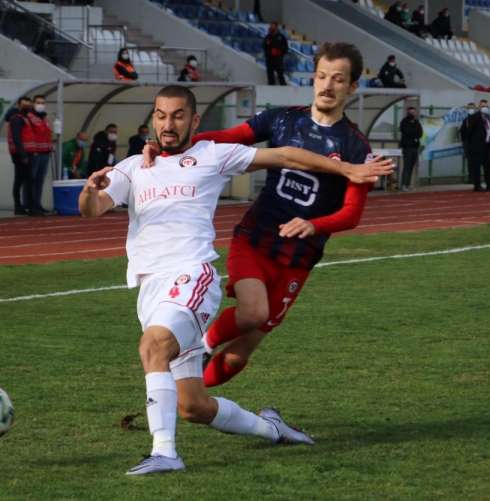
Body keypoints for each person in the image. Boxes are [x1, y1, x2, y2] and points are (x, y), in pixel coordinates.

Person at [80, 85, 392, 475]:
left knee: (153, 346)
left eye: (178, 115)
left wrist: (347, 169)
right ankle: (273, 430)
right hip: (151, 288)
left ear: (194, 120)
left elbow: (284, 155)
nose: (168, 123)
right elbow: (92, 210)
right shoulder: (132, 167)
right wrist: (89, 191)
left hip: (191, 276)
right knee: (193, 406)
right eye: (161, 115)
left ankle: (165, 453)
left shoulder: (212, 154)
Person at [141, 42, 384, 389]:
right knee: (254, 312)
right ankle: (202, 347)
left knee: (240, 352)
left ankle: (193, 397)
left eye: (338, 79)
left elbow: (351, 214)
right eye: (321, 76)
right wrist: (174, 145)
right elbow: (227, 138)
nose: (328, 86)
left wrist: (313, 224)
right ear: (313, 79)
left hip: (299, 258)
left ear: (353, 86)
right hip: (256, 239)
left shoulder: (356, 146)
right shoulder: (282, 119)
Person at [5, 96, 36, 215]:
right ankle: (28, 207)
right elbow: (17, 137)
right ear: (19, 105)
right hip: (21, 153)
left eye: (29, 104)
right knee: (26, 180)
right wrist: (23, 155)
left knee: (20, 180)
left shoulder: (24, 117)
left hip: (24, 152)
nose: (27, 106)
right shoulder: (17, 118)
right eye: (24, 104)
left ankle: (20, 206)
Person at [460, 100, 490, 192]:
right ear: (479, 108)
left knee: (487, 167)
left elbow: (489, 131)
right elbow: (467, 131)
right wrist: (470, 143)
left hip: (486, 146)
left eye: (486, 106)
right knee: (476, 167)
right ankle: (477, 185)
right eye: (483, 106)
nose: (485, 108)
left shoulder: (487, 118)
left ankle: (489, 185)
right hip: (476, 147)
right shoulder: (474, 117)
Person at [27, 95, 53, 214]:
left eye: (43, 103)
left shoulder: (44, 118)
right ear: (33, 104)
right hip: (35, 153)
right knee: (31, 180)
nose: (41, 105)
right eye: (38, 102)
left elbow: (47, 134)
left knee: (40, 180)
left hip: (45, 152)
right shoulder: (29, 117)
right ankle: (30, 205)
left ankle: (37, 204)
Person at [399, 106, 423, 191]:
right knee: (407, 166)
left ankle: (408, 184)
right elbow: (407, 131)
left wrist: (415, 134)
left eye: (413, 112)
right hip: (407, 147)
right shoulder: (404, 122)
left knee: (411, 166)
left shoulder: (416, 122)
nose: (412, 114)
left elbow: (420, 133)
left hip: (415, 147)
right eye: (411, 112)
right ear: (407, 113)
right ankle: (403, 185)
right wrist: (414, 134)